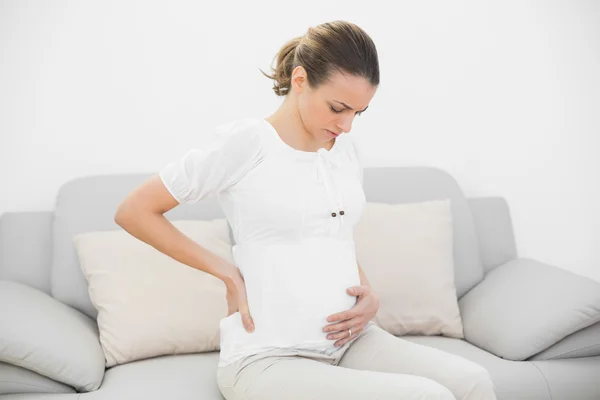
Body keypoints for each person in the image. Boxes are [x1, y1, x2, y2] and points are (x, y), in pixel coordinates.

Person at [115, 20, 497, 400]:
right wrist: (228, 275)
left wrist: (368, 294)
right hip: (267, 358)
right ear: (300, 80)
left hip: (350, 342)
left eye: (358, 113)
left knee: (475, 382)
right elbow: (135, 210)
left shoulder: (345, 152)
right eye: (337, 107)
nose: (346, 125)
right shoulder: (248, 143)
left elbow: (335, 230)